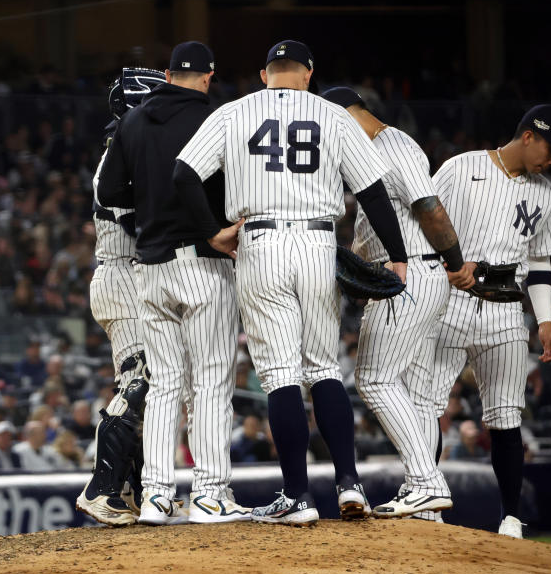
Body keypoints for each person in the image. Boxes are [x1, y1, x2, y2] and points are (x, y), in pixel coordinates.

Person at [174, 40, 408, 526]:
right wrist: (399, 256)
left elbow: (183, 174)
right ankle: (349, 483)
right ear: (307, 73)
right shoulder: (334, 115)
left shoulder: (232, 112)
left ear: (264, 74)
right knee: (323, 367)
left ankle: (298, 497)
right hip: (320, 245)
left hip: (260, 243)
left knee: (281, 374)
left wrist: (212, 234)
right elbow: (372, 191)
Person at [98, 43, 251, 525]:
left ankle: (157, 496)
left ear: (168, 74)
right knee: (209, 381)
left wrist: (152, 202)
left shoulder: (135, 120)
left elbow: (108, 193)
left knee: (164, 384)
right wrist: (211, 224)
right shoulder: (218, 116)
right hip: (203, 261)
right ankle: (209, 493)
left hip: (149, 267)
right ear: (208, 76)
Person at [424, 105, 551, 539]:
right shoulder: (460, 167)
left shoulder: (545, 192)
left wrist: (544, 320)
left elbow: (540, 261)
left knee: (506, 417)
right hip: (449, 302)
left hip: (506, 309)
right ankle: (427, 502)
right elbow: (424, 219)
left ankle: (510, 518)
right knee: (428, 408)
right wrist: (445, 262)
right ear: (528, 136)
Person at [321, 87, 472, 518]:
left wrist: (456, 262)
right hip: (411, 277)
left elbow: (431, 208)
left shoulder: (393, 143)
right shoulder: (371, 153)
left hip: (410, 276)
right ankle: (425, 505)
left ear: (349, 115)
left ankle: (425, 481)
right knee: (419, 395)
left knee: (374, 379)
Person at [75, 67, 167, 526]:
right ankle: (102, 488)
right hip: (123, 277)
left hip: (130, 278)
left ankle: (130, 490)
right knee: (140, 383)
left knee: (144, 387)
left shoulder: (127, 149)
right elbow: (143, 223)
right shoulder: (119, 155)